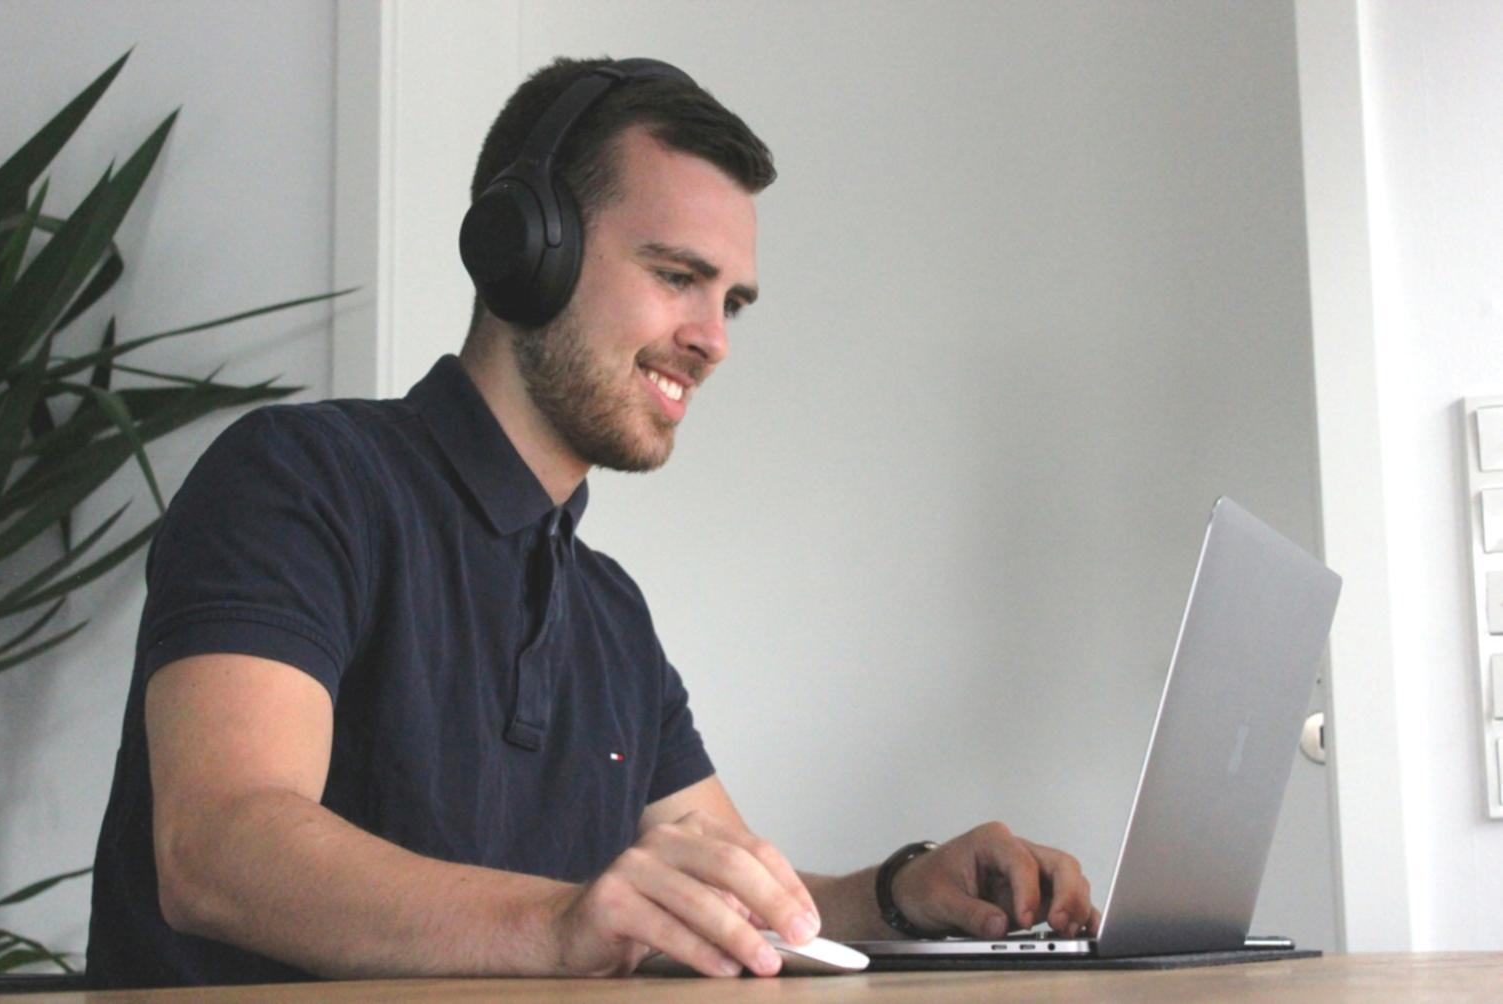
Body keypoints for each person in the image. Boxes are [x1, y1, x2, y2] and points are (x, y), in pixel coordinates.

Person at [86, 56, 1098, 989]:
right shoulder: (298, 481)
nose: (710, 340)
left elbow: (743, 903)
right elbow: (217, 848)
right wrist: (562, 922)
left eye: (730, 301)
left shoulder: (609, 612)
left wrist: (900, 889)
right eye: (676, 276)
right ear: (525, 247)